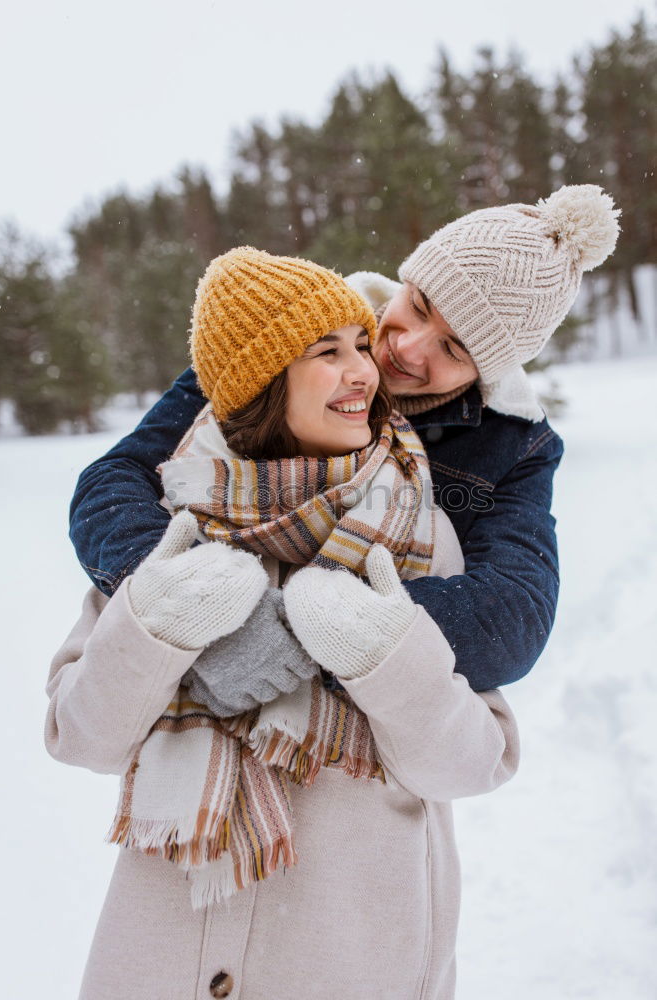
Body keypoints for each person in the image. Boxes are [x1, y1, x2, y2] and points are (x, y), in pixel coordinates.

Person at [45, 248, 519, 1000]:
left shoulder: (421, 534)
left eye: (362, 344)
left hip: (349, 961)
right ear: (264, 384)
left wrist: (382, 654)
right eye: (326, 353)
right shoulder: (175, 526)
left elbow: (470, 763)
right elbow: (81, 736)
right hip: (163, 966)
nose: (365, 370)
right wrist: (160, 625)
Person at [68, 184, 620, 691]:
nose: (407, 348)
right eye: (418, 307)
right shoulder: (281, 335)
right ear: (406, 280)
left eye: (454, 350)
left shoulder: (514, 444)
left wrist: (308, 633)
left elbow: (512, 618)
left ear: (487, 371)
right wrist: (202, 611)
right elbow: (112, 485)